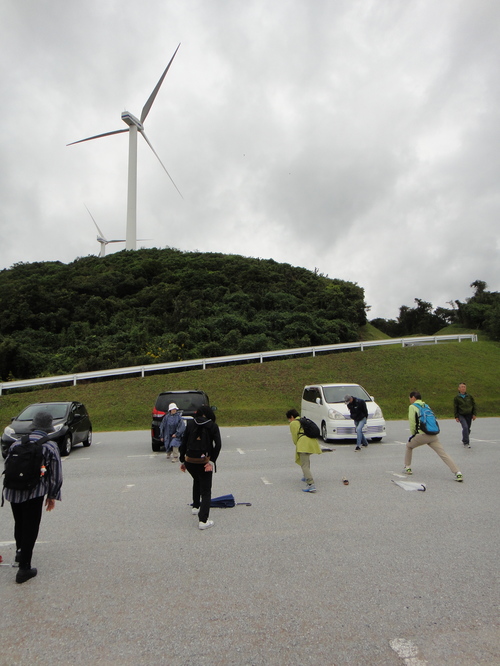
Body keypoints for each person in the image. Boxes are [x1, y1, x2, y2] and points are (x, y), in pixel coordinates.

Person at [3, 411, 63, 583]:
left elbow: (8, 466)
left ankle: (19, 553)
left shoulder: (16, 444)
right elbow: (55, 475)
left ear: (34, 425)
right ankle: (24, 569)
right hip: (34, 493)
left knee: (19, 523)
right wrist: (52, 495)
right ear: (48, 428)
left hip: (13, 491)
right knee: (31, 528)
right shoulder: (50, 446)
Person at [405, 391, 463, 481]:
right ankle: (458, 472)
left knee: (409, 446)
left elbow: (412, 422)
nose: (409, 400)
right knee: (443, 454)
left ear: (413, 398)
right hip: (432, 434)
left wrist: (413, 435)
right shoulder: (426, 406)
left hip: (422, 434)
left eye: (409, 398)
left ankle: (407, 467)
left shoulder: (412, 407)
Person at [179, 406, 221, 530]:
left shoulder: (191, 424)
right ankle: (203, 520)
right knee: (206, 491)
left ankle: (196, 506)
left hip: (190, 461)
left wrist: (183, 460)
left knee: (196, 480)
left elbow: (184, 442)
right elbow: (218, 445)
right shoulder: (213, 426)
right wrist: (212, 461)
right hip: (204, 461)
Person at [286, 409, 322, 493]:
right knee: (306, 460)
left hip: (303, 444)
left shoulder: (293, 423)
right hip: (312, 442)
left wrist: (297, 444)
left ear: (291, 417)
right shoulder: (303, 420)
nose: (289, 421)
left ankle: (310, 484)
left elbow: (295, 437)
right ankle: (305, 476)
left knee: (304, 465)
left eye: (289, 419)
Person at [454, 383, 477, 448]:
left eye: (464, 387)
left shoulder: (469, 396)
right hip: (461, 414)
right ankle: (466, 442)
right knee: (465, 427)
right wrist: (456, 416)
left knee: (468, 429)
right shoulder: (457, 398)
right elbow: (455, 407)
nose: (463, 388)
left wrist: (474, 414)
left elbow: (474, 405)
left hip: (469, 414)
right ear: (459, 388)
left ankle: (464, 438)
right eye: (462, 387)